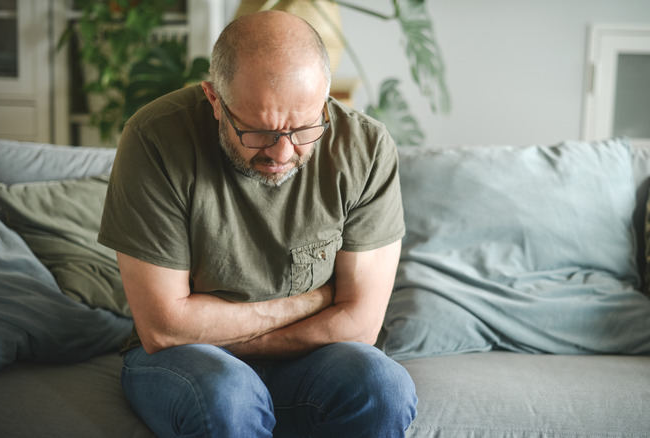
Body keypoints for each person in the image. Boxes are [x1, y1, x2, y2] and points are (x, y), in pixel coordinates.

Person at [98, 10, 417, 438]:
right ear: (215, 100)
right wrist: (310, 302)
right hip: (184, 361)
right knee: (228, 394)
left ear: (323, 101)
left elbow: (359, 324)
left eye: (303, 129)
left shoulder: (366, 148)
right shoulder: (154, 138)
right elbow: (164, 327)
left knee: (384, 387)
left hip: (312, 362)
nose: (282, 154)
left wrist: (221, 328)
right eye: (259, 132)